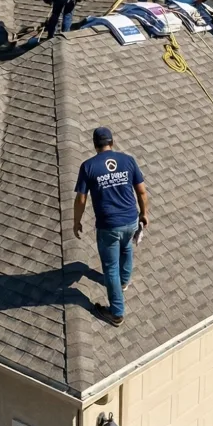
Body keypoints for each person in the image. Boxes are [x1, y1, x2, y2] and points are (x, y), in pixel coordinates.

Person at [73, 127, 149, 327]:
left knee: (110, 268)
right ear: (112, 142)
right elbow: (142, 192)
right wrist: (144, 214)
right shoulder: (128, 160)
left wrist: (76, 221)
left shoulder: (88, 166)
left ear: (94, 145)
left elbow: (81, 199)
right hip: (131, 221)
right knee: (126, 247)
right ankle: (123, 283)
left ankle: (116, 313)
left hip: (109, 226)